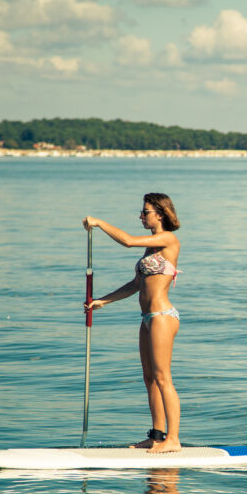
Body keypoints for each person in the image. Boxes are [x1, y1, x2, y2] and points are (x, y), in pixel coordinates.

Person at [83, 193, 182, 453]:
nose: (141, 215)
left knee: (163, 378)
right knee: (149, 378)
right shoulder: (151, 247)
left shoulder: (168, 239)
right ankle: (157, 435)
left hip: (163, 316)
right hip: (147, 319)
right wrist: (103, 301)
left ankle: (173, 439)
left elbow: (127, 242)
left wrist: (100, 223)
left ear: (160, 214)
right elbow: (137, 285)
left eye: (145, 211)